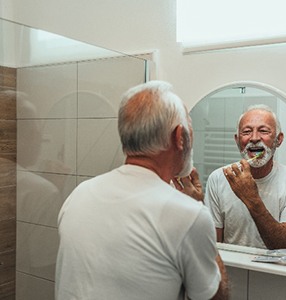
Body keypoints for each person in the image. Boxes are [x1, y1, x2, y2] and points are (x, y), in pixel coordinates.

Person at [55, 81, 228, 300]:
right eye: (190, 130)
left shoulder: (79, 195)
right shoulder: (187, 214)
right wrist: (196, 206)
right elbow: (215, 297)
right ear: (179, 137)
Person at [205, 104, 286, 249]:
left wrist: (251, 198)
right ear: (237, 140)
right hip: (234, 269)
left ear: (278, 139)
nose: (254, 138)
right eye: (247, 132)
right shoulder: (218, 178)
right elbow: (213, 246)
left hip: (276, 272)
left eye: (263, 131)